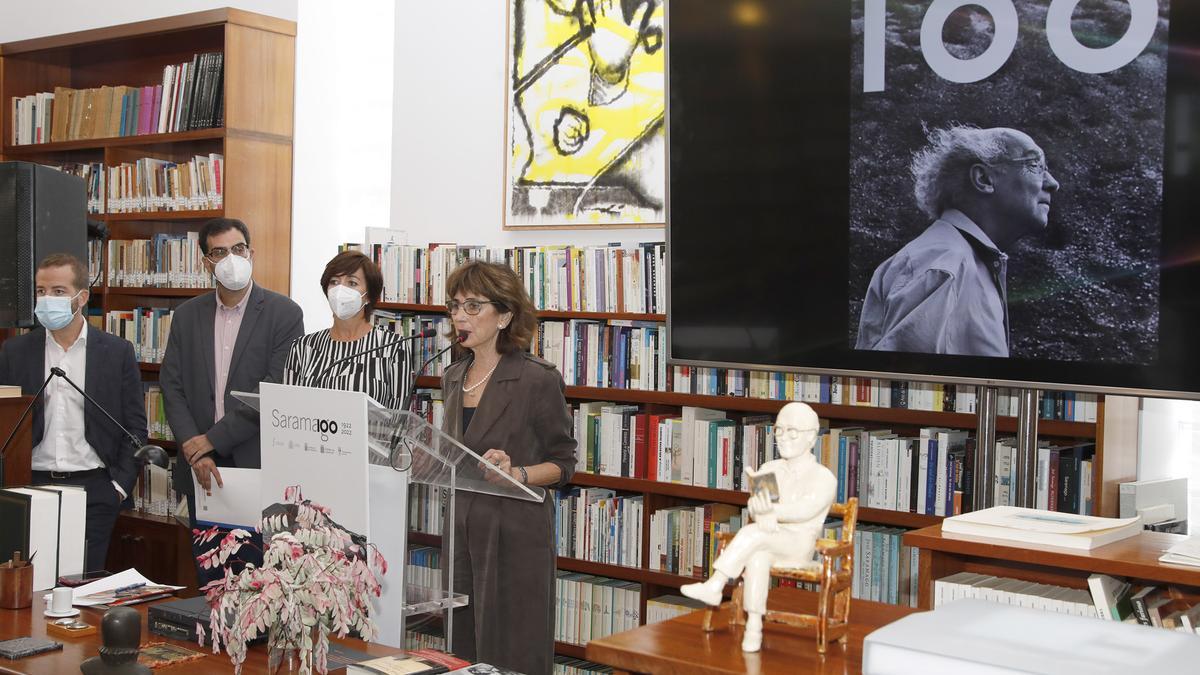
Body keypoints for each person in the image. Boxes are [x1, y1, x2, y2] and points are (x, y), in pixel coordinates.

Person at [441, 261, 577, 675]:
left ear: (504, 316)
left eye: (473, 306)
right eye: (455, 305)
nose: (460, 316)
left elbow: (565, 463)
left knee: (512, 651)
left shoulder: (537, 379)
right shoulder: (452, 376)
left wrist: (516, 473)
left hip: (515, 533)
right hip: (461, 528)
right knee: (462, 647)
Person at [158, 218, 304, 582]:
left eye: (238, 249)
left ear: (251, 253)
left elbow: (272, 392)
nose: (231, 258)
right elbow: (171, 385)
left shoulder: (284, 314)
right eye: (219, 252)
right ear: (206, 261)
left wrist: (211, 440)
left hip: (256, 463)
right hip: (200, 466)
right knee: (211, 576)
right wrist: (197, 448)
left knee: (260, 580)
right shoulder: (187, 315)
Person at [855, 125, 1061, 356]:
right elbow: (907, 386)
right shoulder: (943, 264)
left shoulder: (954, 258)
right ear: (983, 178)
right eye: (1035, 166)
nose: (1053, 183)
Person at [0, 253, 147, 571]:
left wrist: (118, 487)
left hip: (94, 489)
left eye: (57, 291)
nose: (46, 299)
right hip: (30, 484)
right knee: (29, 589)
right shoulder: (15, 351)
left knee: (82, 589)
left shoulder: (116, 352)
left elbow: (134, 426)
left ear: (81, 297)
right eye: (40, 291)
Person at [680, 402, 835, 653]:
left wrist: (770, 513)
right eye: (779, 430)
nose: (783, 437)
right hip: (768, 538)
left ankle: (716, 584)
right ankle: (754, 628)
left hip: (798, 544)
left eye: (792, 431)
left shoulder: (823, 477)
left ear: (811, 437)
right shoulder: (769, 469)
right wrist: (759, 509)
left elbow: (806, 510)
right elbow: (756, 504)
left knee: (754, 534)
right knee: (758, 556)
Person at [282, 251, 411, 408]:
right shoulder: (303, 347)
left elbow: (399, 418)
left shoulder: (393, 347)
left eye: (352, 283)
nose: (340, 290)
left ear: (369, 295)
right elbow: (289, 411)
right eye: (334, 282)